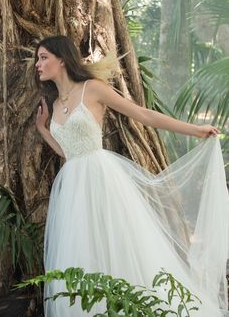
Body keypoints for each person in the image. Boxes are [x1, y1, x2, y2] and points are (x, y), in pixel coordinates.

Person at [35, 35, 229, 317]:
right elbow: (67, 152)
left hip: (101, 180)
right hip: (73, 189)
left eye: (43, 58)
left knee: (117, 246)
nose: (38, 65)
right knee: (83, 253)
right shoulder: (54, 104)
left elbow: (142, 114)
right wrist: (43, 130)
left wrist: (194, 129)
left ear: (62, 59)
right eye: (37, 59)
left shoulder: (92, 89)